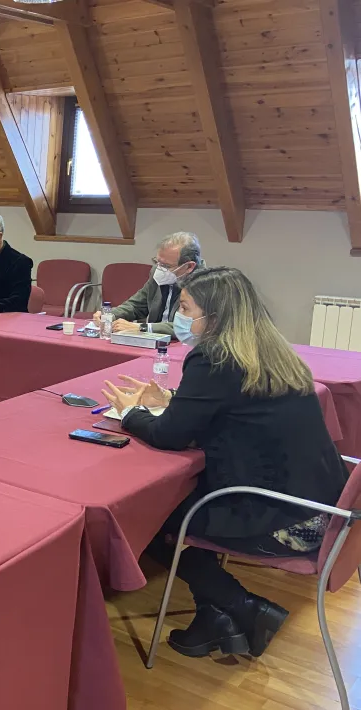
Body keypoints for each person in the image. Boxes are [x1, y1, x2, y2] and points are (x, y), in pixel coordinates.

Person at [101, 266, 347, 659]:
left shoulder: (213, 358)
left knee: (150, 518)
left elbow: (169, 436)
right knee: (179, 504)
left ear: (213, 317)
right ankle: (214, 618)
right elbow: (238, 408)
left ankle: (243, 606)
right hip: (323, 507)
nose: (178, 317)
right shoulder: (273, 351)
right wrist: (173, 402)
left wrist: (131, 414)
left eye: (185, 307)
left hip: (286, 522)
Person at [94, 231, 203, 335]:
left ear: (189, 266)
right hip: (153, 341)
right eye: (158, 262)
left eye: (166, 266)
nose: (160, 268)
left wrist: (141, 328)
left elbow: (188, 327)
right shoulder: (158, 273)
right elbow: (136, 305)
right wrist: (110, 315)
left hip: (183, 347)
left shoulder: (205, 285)